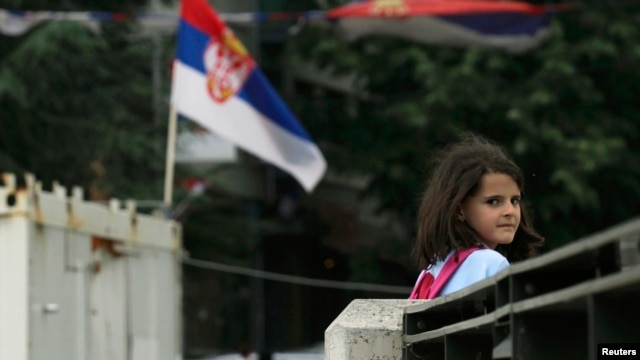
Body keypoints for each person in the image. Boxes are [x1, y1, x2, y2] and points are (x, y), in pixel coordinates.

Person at [409, 134, 544, 299]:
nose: (510, 211)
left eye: (514, 200)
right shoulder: (491, 263)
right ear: (459, 210)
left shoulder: (432, 269)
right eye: (493, 201)